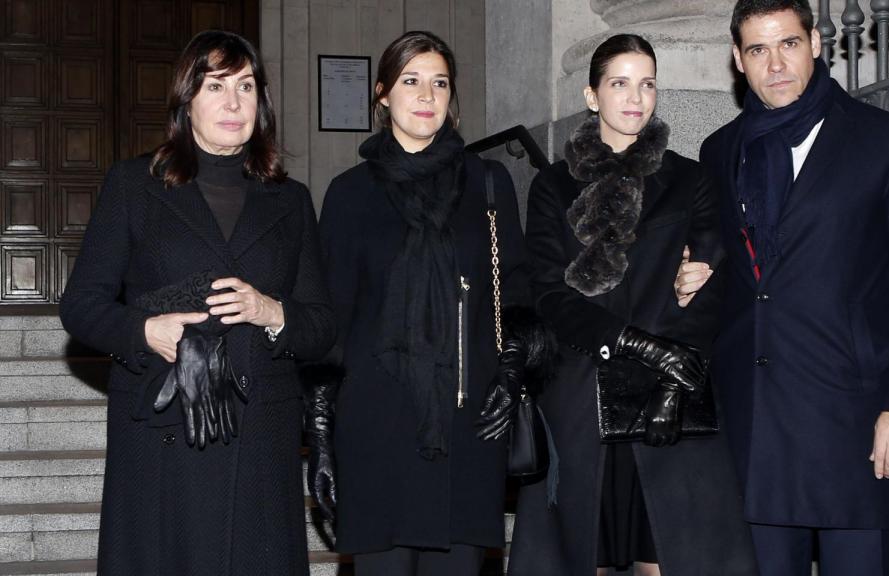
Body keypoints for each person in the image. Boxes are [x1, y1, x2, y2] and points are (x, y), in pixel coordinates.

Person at [684, 1, 889, 574]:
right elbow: (736, 271)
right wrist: (700, 274)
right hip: (753, 428)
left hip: (854, 427)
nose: (775, 63)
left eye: (788, 44)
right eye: (758, 49)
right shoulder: (719, 152)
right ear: (738, 59)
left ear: (816, 44)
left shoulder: (886, 142)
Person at [59, 30, 335, 576]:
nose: (233, 103)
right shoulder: (135, 185)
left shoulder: (292, 199)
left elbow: (322, 324)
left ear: (262, 102)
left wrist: (272, 312)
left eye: (246, 86)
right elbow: (82, 305)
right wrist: (145, 332)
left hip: (262, 432)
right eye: (215, 86)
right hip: (164, 428)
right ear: (188, 100)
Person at [507, 34, 758, 576]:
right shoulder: (552, 186)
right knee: (584, 555)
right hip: (579, 393)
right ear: (592, 95)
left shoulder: (689, 179)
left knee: (666, 555)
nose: (635, 98)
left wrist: (672, 378)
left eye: (647, 84)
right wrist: (632, 344)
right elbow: (548, 292)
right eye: (619, 83)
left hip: (666, 400)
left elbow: (710, 283)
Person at [310, 30, 545, 576]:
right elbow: (331, 319)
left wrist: (512, 372)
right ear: (382, 94)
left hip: (469, 421)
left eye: (439, 82)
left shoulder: (489, 184)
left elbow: (517, 291)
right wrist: (321, 433)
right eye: (411, 81)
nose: (426, 95)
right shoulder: (349, 194)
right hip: (376, 422)